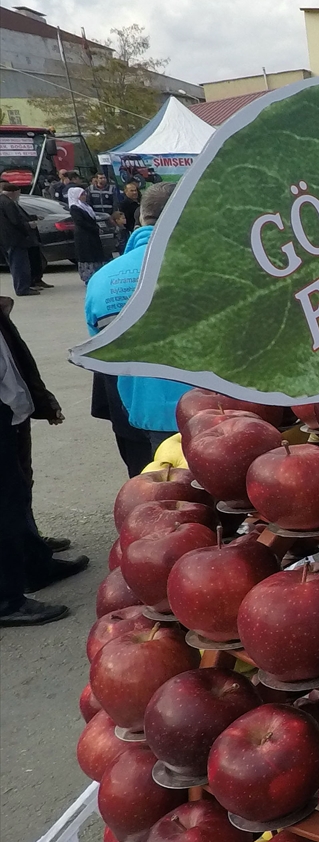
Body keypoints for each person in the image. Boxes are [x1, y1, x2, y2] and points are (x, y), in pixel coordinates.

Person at [85, 182, 195, 471]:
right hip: (212, 417)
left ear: (142, 217)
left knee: (151, 504)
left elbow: (104, 350)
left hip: (135, 413)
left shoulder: (103, 279)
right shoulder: (219, 267)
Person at [1, 296, 89, 626]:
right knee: (5, 501)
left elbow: (14, 355)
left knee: (17, 490)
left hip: (9, 410)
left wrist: (38, 401)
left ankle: (34, 562)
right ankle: (6, 600)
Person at [0, 181, 41, 297]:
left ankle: (22, 286)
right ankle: (22, 288)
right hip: (15, 239)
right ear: (12, 193)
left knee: (16, 263)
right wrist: (29, 226)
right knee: (20, 264)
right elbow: (15, 221)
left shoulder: (2, 201)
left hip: (6, 239)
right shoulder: (8, 203)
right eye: (18, 193)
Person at [69, 186, 107, 282]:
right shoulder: (75, 208)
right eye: (82, 194)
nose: (84, 196)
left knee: (96, 254)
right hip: (83, 236)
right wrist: (94, 228)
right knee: (87, 256)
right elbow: (80, 222)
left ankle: (97, 274)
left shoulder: (86, 206)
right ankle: (88, 277)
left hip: (92, 235)